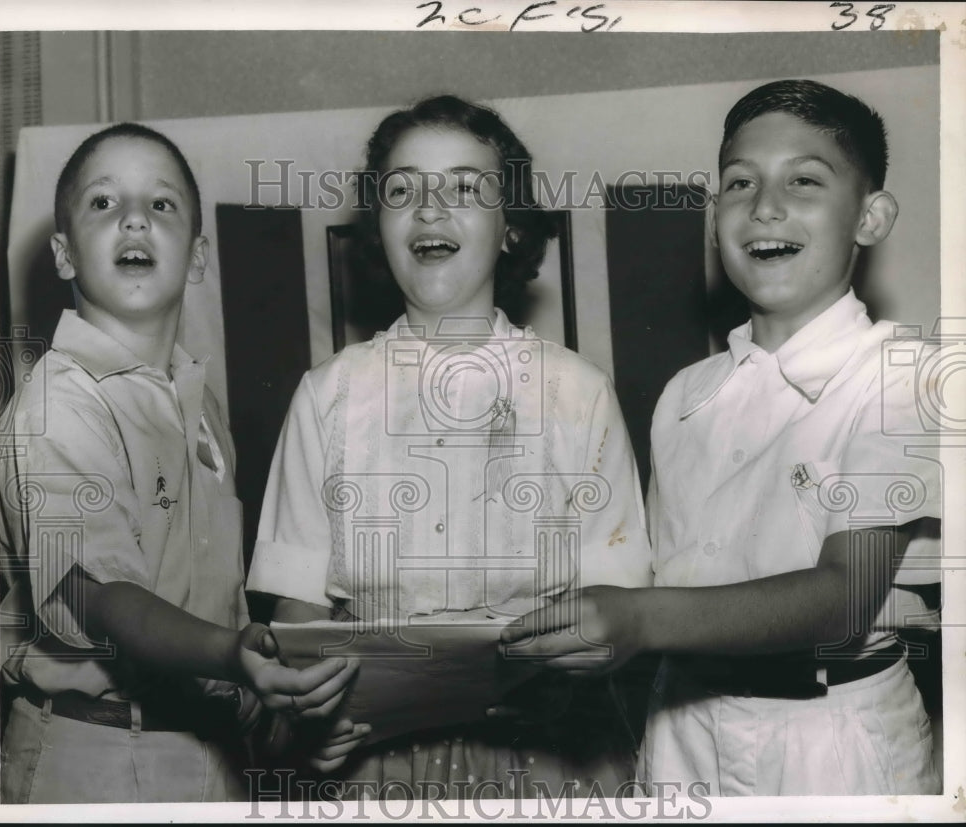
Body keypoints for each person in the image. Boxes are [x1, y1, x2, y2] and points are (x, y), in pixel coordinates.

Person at [501, 79, 942, 796]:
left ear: (871, 216)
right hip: (680, 731)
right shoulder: (684, 395)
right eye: (739, 183)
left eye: (804, 180)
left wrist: (637, 619)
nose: (765, 206)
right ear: (714, 221)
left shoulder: (905, 376)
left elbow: (844, 597)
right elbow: (650, 582)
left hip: (831, 747)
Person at [247, 95, 653, 800]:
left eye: (466, 188)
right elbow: (297, 614)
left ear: (510, 229)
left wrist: (575, 664)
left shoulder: (578, 392)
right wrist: (314, 712)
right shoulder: (327, 395)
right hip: (378, 766)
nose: (430, 210)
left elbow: (615, 602)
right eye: (403, 189)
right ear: (379, 224)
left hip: (553, 761)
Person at [0, 122, 366, 804]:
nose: (135, 217)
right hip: (93, 757)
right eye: (103, 203)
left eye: (162, 204)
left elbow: (215, 615)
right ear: (63, 253)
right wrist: (233, 655)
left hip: (209, 755)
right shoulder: (60, 402)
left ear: (197, 256)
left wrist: (286, 716)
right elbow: (105, 600)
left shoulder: (200, 406)